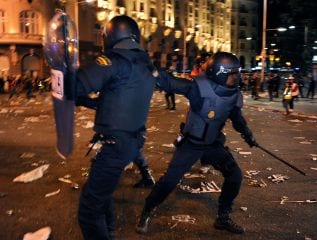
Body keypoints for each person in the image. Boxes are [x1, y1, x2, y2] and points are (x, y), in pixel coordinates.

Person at [136, 52, 257, 235]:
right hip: (191, 145)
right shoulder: (198, 89)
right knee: (169, 182)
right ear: (219, 73)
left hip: (212, 144)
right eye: (232, 74)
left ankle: (223, 218)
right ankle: (147, 210)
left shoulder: (233, 96)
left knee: (235, 176)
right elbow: (171, 83)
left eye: (236, 74)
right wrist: (153, 71)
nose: (236, 78)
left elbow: (237, 119)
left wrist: (248, 136)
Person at [75, 15, 157, 240]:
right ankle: (109, 225)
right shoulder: (144, 63)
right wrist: (83, 101)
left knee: (88, 211)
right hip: (132, 140)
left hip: (116, 145)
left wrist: (63, 76)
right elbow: (115, 101)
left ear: (110, 36)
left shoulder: (114, 60)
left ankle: (106, 230)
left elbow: (78, 84)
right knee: (102, 190)